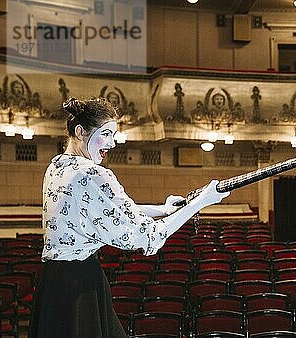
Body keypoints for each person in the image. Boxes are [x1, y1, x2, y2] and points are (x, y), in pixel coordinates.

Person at [29, 97, 229, 338]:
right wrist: (202, 201)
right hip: (80, 285)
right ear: (80, 132)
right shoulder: (91, 173)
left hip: (53, 282)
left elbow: (111, 210)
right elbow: (150, 238)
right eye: (106, 134)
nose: (112, 144)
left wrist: (163, 210)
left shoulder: (58, 166)